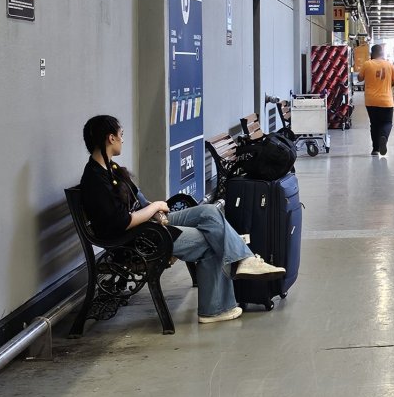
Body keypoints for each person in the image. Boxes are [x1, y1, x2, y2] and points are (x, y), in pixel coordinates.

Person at [79, 115, 284, 325]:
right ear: (110, 138)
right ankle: (214, 307)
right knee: (211, 239)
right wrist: (155, 208)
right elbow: (122, 223)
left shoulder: (109, 169)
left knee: (209, 212)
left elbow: (138, 198)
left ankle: (244, 261)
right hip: (137, 239)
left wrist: (155, 211)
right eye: (121, 135)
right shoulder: (95, 180)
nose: (123, 139)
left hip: (148, 226)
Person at [356, 44, 394, 156]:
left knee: (374, 124)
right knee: (387, 122)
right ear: (382, 53)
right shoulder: (389, 65)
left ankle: (375, 149)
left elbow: (360, 78)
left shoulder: (367, 64)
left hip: (370, 101)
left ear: (372, 53)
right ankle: (383, 137)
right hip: (386, 100)